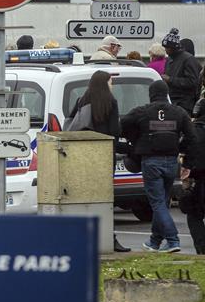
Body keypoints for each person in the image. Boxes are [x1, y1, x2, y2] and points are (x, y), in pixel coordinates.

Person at [121, 80, 196, 253]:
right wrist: (182, 151)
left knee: (157, 203)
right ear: (167, 93)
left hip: (151, 162)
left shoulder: (142, 111)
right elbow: (192, 137)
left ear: (151, 94)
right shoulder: (179, 112)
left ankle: (172, 240)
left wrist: (135, 141)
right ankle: (154, 241)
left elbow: (121, 127)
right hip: (171, 162)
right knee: (161, 202)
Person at [67, 70, 129, 252]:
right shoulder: (111, 102)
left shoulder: (81, 100)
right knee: (105, 199)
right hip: (104, 155)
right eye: (111, 82)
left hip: (84, 155)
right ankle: (110, 238)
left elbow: (71, 123)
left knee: (85, 197)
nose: (112, 85)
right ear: (105, 83)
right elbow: (115, 132)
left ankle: (82, 237)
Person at [182, 98, 205, 254]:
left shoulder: (193, 130)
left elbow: (182, 147)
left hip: (198, 179)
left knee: (194, 214)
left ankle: (202, 248)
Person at [161, 28, 201, 115]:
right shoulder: (169, 59)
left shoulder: (188, 59)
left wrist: (170, 79)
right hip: (171, 101)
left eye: (167, 48)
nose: (165, 50)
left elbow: (193, 82)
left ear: (173, 47)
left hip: (185, 104)